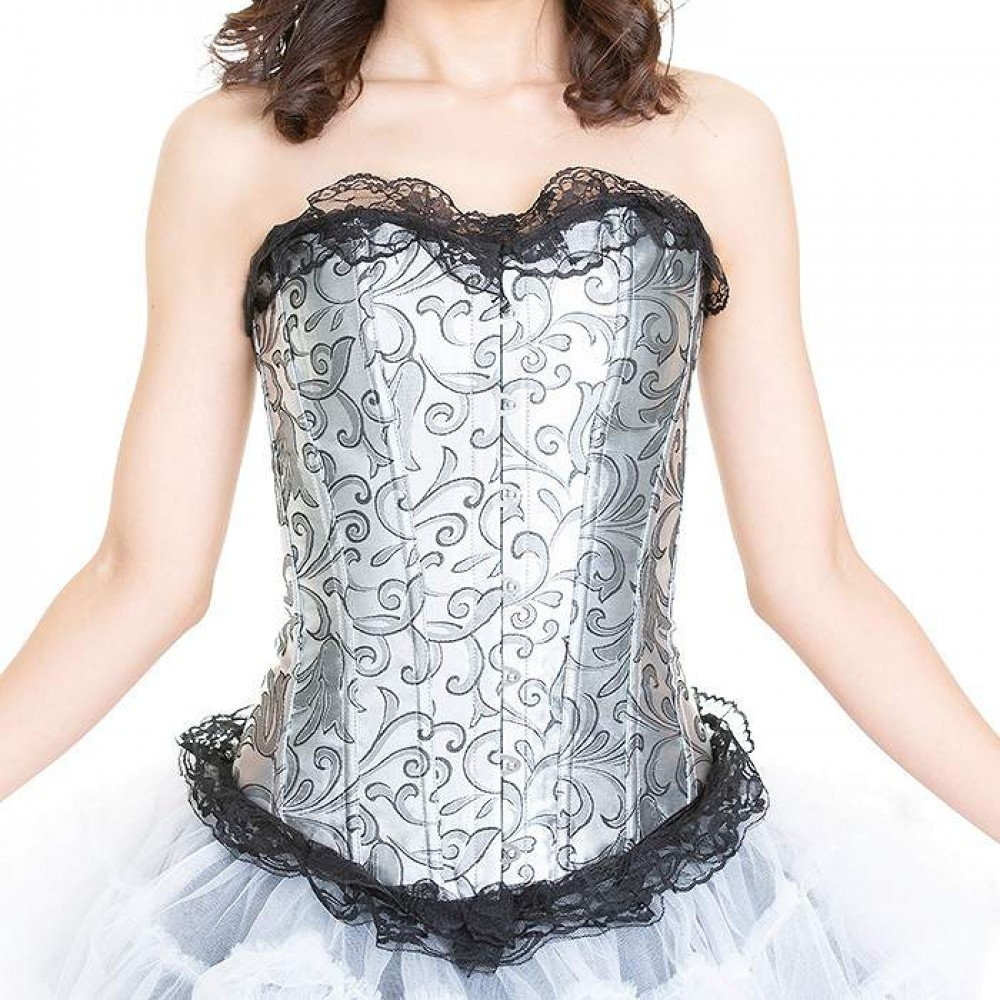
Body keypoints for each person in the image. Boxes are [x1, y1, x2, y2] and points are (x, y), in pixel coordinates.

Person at [1, 1, 999, 997]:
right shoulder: (230, 151)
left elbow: (812, 573)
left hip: (657, 916)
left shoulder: (714, 141)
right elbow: (143, 577)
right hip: (306, 915)